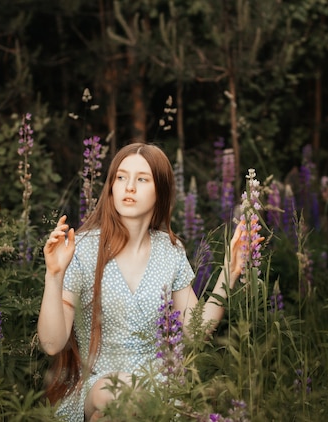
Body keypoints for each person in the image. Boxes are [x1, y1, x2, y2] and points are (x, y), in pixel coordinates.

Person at [37, 142, 243, 422]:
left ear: (161, 191)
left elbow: (195, 331)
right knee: (116, 393)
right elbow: (51, 343)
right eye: (121, 177)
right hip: (99, 386)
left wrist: (228, 273)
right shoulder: (83, 248)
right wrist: (54, 275)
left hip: (157, 386)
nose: (128, 187)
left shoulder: (170, 250)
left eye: (141, 179)